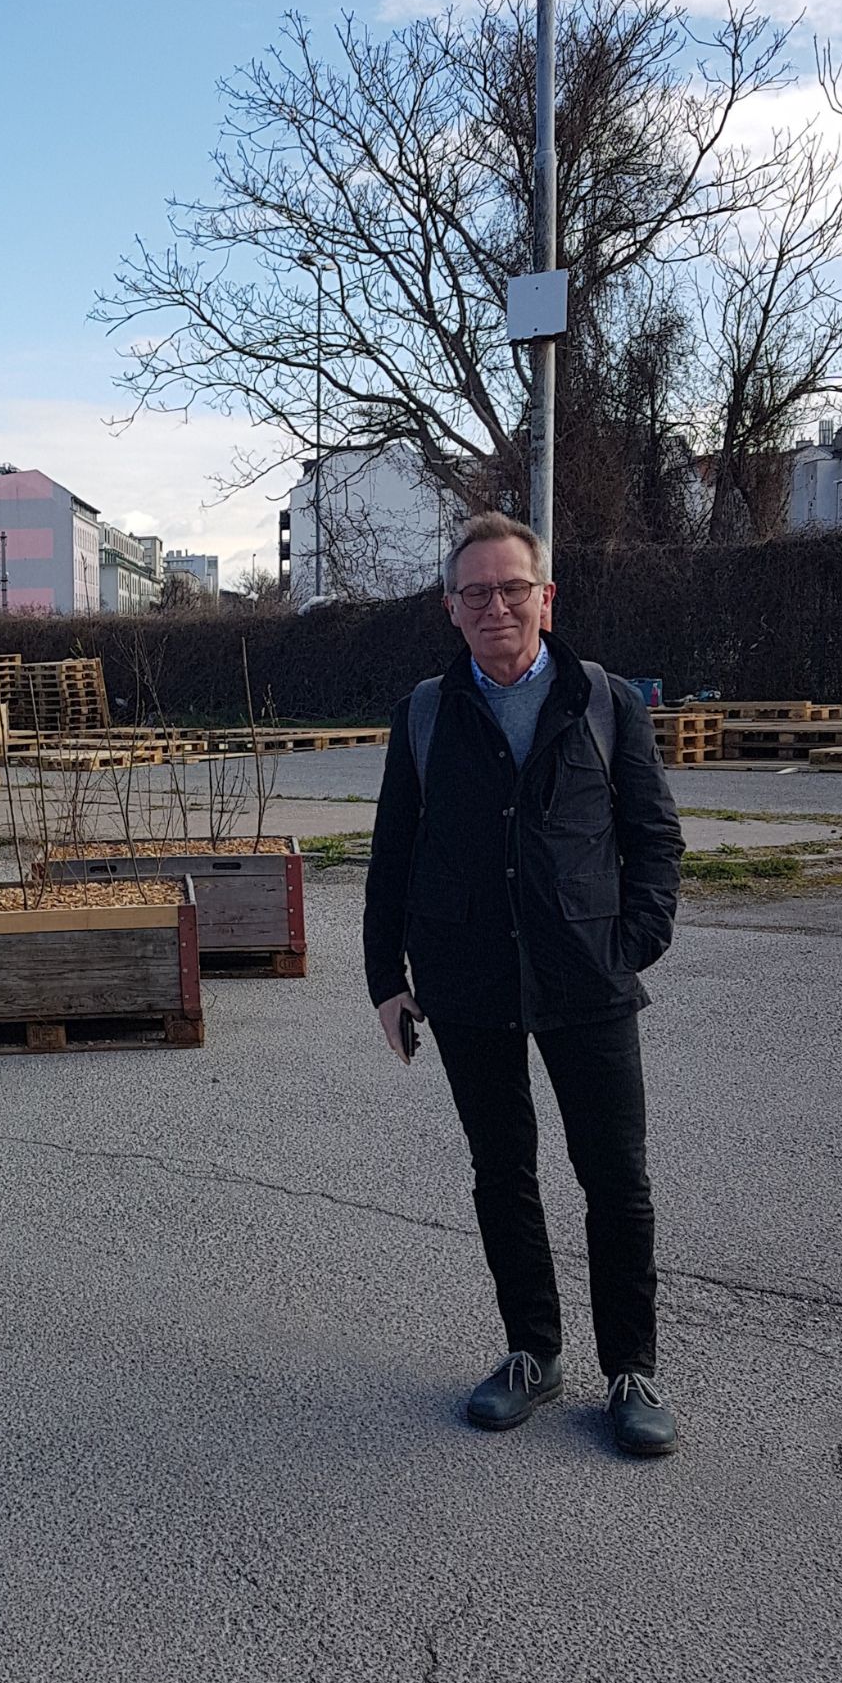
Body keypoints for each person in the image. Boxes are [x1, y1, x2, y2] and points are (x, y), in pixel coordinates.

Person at [367, 512, 688, 1457]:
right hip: (465, 983)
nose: (496, 606)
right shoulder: (426, 712)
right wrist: (388, 979)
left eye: (514, 589)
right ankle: (531, 1356)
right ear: (450, 610)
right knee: (502, 1175)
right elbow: (393, 854)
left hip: (588, 981)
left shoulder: (605, 700)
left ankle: (631, 1371)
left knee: (615, 1181)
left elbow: (654, 838)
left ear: (547, 599)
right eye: (477, 593)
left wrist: (631, 944)